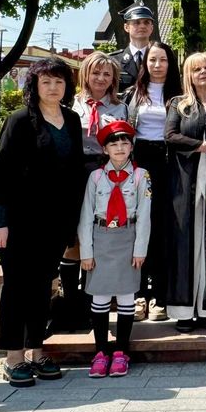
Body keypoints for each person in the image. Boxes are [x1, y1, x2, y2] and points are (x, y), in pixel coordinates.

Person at [0, 59, 85, 387]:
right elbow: (0, 175)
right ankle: (13, 356)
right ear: (35, 86)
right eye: (46, 82)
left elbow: (74, 172)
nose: (53, 87)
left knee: (43, 287)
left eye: (59, 81)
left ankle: (36, 350)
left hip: (56, 222)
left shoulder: (71, 120)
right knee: (17, 288)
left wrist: (73, 222)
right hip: (19, 222)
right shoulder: (18, 121)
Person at [58, 51, 128, 331]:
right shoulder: (70, 104)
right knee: (73, 236)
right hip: (75, 173)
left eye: (107, 74)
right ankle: (71, 302)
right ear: (85, 74)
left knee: (97, 235)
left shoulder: (120, 108)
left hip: (106, 175)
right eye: (95, 73)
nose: (101, 78)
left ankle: (91, 303)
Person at [78, 120, 152, 378]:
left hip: (128, 239)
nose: (120, 147)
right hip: (101, 239)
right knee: (99, 296)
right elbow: (86, 215)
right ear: (105, 149)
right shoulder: (96, 177)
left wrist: (139, 249)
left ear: (131, 147)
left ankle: (121, 352)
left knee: (125, 297)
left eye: (124, 143)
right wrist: (86, 252)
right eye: (113, 143)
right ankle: (100, 352)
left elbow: (145, 215)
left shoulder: (142, 176)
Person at [164, 52, 206, 331]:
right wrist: (202, 146)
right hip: (185, 182)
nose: (203, 72)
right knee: (183, 244)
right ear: (188, 75)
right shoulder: (179, 104)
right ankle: (183, 311)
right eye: (196, 69)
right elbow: (170, 135)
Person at [125, 41, 183, 321]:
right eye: (152, 60)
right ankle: (138, 296)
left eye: (162, 60)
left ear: (170, 64)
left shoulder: (180, 94)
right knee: (139, 227)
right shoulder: (133, 94)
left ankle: (160, 294)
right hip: (140, 160)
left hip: (169, 162)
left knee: (162, 229)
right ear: (145, 64)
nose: (157, 65)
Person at [109, 2, 156, 92]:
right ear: (126, 27)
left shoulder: (163, 59)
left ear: (151, 28)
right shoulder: (113, 61)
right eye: (136, 22)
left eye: (146, 22)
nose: (142, 26)